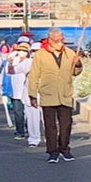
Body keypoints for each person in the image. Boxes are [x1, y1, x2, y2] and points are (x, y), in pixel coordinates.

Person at [28, 28, 83, 164]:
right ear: (51, 40)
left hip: (65, 94)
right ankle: (52, 151)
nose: (60, 42)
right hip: (48, 94)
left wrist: (78, 64)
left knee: (66, 124)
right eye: (57, 40)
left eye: (62, 39)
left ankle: (64, 148)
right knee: (50, 125)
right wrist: (32, 95)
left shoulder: (69, 53)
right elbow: (34, 75)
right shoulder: (40, 54)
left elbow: (75, 72)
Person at [8, 43, 43, 145]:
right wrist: (10, 63)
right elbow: (12, 71)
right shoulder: (27, 62)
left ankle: (51, 139)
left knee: (48, 119)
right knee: (32, 118)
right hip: (30, 93)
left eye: (38, 51)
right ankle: (34, 139)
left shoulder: (49, 62)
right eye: (34, 51)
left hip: (46, 93)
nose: (36, 54)